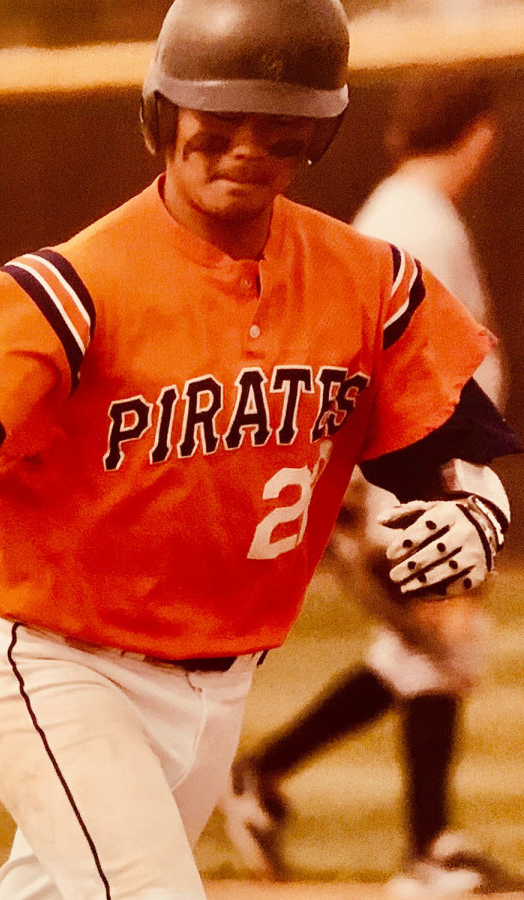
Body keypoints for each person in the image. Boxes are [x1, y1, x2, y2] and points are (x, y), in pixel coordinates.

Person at [0, 0, 522, 896]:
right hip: (63, 670)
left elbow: (450, 437)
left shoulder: (362, 279)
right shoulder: (80, 282)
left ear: (316, 136)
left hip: (220, 689)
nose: (245, 150)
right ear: (163, 116)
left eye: (278, 131)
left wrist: (478, 506)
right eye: (218, 124)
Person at [223, 69, 524, 897]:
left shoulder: (411, 213)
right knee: (445, 651)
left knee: (424, 653)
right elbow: (365, 358)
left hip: (411, 479)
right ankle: (427, 851)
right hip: (405, 482)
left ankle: (264, 776)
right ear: (481, 133)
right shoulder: (414, 220)